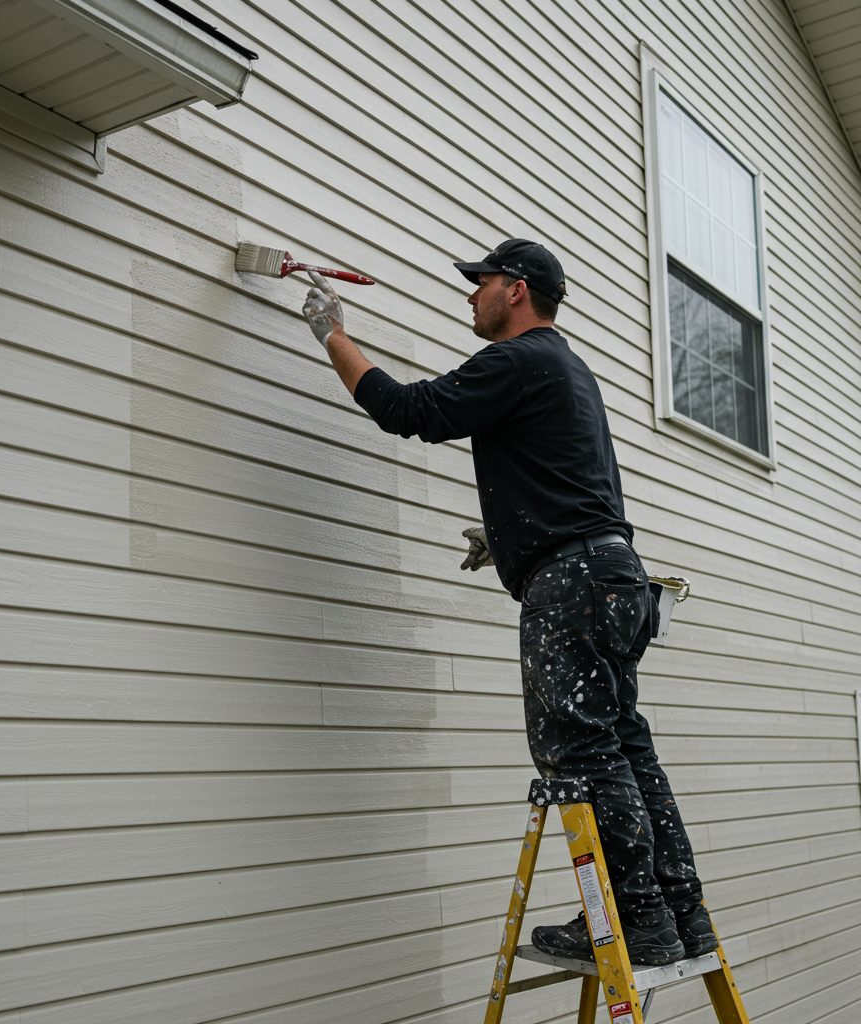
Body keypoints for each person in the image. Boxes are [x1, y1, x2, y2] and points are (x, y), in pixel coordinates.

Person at [300, 239, 717, 966]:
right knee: (626, 746)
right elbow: (566, 477)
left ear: (516, 290)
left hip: (575, 585)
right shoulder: (568, 369)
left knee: (580, 755)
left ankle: (636, 925)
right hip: (614, 576)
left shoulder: (517, 359)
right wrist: (513, 537)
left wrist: (333, 334)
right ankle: (682, 916)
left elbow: (410, 411)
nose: (471, 294)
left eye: (480, 282)